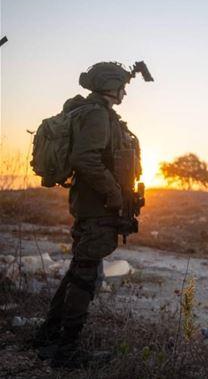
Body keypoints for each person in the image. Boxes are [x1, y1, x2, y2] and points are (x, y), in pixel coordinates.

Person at [33, 62, 144, 368]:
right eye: (122, 85)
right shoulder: (96, 115)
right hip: (97, 207)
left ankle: (48, 335)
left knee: (79, 270)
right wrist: (114, 193)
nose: (125, 91)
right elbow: (85, 158)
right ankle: (66, 351)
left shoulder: (101, 113)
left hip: (93, 205)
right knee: (85, 276)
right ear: (111, 86)